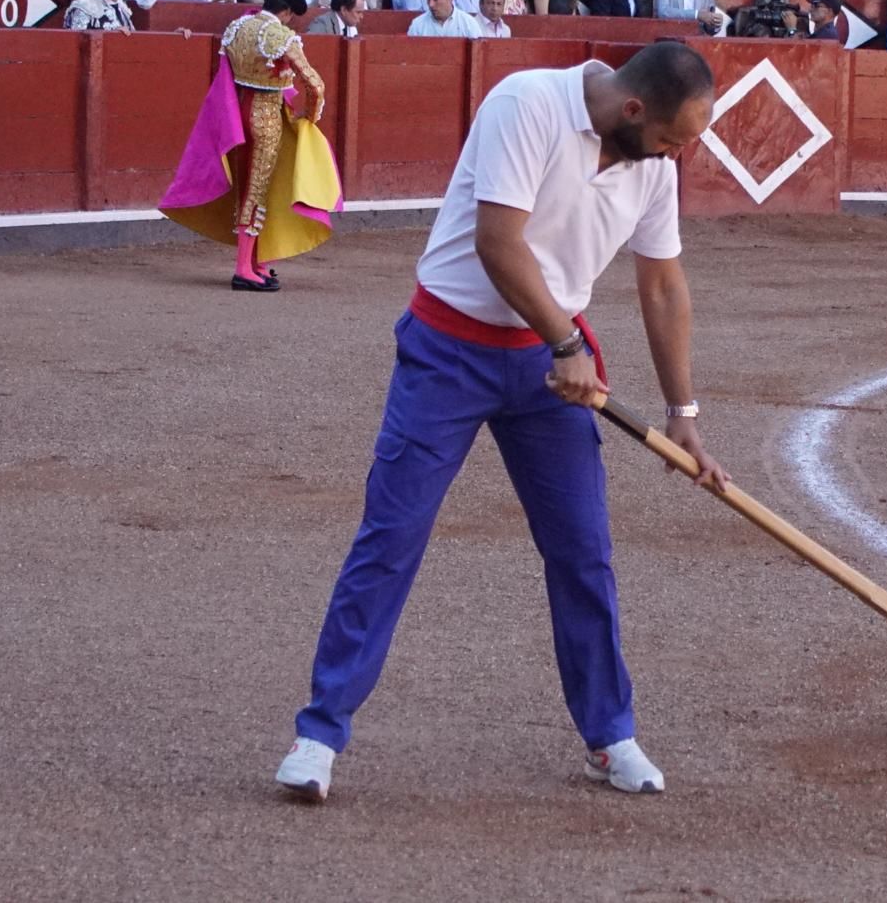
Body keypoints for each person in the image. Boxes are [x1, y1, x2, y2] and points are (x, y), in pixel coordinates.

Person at [273, 41, 725, 803]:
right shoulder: (526, 103)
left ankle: (609, 733)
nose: (679, 156)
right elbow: (497, 243)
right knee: (392, 536)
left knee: (583, 551)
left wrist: (685, 414)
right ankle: (319, 733)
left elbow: (663, 287)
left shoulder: (651, 166)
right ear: (633, 110)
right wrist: (567, 339)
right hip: (449, 350)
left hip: (550, 371)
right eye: (676, 140)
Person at [159, 0, 338, 292]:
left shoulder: (236, 27)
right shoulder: (280, 36)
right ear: (285, 12)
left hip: (236, 114)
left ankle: (256, 262)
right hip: (266, 118)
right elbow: (316, 85)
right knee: (257, 191)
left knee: (248, 187)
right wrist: (308, 116)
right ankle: (244, 268)